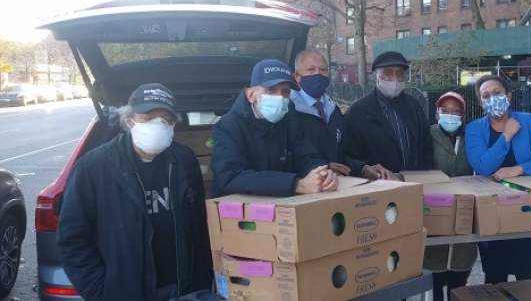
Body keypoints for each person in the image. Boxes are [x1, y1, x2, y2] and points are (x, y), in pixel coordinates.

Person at [57, 83, 213, 301]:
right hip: (125, 292)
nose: (158, 124)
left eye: (166, 119)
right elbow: (72, 240)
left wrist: (205, 280)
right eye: (148, 117)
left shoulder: (184, 160)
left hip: (184, 288)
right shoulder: (95, 166)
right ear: (129, 121)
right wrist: (100, 291)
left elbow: (199, 226)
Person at [464, 75, 531, 284]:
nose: (492, 99)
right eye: (486, 96)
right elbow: (482, 165)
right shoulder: (474, 129)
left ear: (509, 96)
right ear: (480, 102)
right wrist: (506, 136)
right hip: (493, 210)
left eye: (497, 93)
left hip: (529, 208)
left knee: (529, 277)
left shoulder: (528, 120)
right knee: (496, 276)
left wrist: (519, 169)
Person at [211, 59, 338, 197]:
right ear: (251, 95)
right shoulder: (228, 126)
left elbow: (307, 156)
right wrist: (295, 184)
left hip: (281, 207)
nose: (279, 97)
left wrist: (322, 173)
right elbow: (230, 175)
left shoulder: (289, 121)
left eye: (285, 92)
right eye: (270, 90)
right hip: (238, 211)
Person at [289, 48, 392, 179]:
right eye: (311, 70)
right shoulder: (289, 111)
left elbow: (343, 155)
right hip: (306, 189)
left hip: (337, 186)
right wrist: (322, 167)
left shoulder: (333, 110)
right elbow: (288, 160)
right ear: (297, 77)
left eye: (323, 69)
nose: (318, 74)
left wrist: (363, 168)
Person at [343, 51, 434, 176]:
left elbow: (426, 146)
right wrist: (364, 168)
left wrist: (422, 174)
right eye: (388, 73)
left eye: (400, 74)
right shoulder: (357, 112)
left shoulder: (414, 106)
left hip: (414, 183)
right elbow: (346, 156)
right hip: (378, 188)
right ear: (375, 76)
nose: (395, 79)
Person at [424, 92, 477, 301]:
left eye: (456, 111)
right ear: (437, 113)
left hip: (465, 210)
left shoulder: (471, 136)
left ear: (463, 114)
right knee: (433, 281)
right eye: (444, 111)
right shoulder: (427, 134)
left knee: (458, 281)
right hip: (434, 209)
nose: (450, 115)